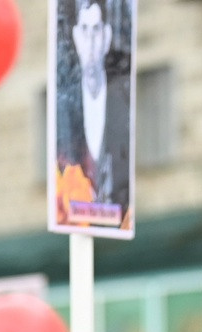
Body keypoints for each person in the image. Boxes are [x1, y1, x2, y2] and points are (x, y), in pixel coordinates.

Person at [59, 0, 132, 211]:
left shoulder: (123, 104)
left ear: (107, 36)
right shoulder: (64, 107)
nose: (91, 41)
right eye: (84, 30)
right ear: (76, 37)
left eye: (96, 30)